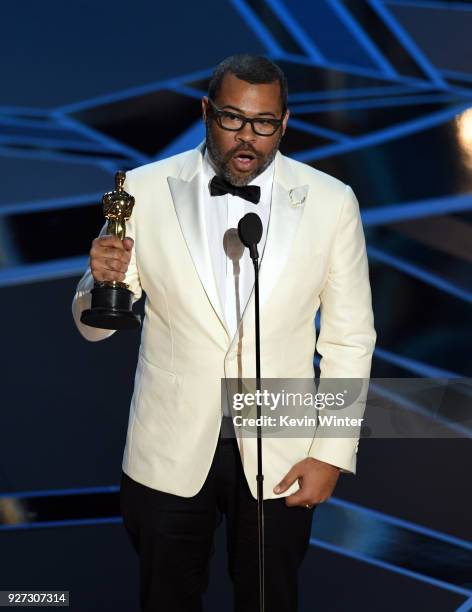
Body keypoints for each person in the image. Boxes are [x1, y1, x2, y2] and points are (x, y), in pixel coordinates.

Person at [72, 54, 376, 612]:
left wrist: (332, 452)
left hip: (281, 445)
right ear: (207, 113)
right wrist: (100, 279)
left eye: (263, 124)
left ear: (284, 124)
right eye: (233, 119)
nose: (247, 138)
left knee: (270, 600)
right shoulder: (144, 188)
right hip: (168, 445)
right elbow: (99, 324)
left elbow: (349, 338)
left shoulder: (332, 202)